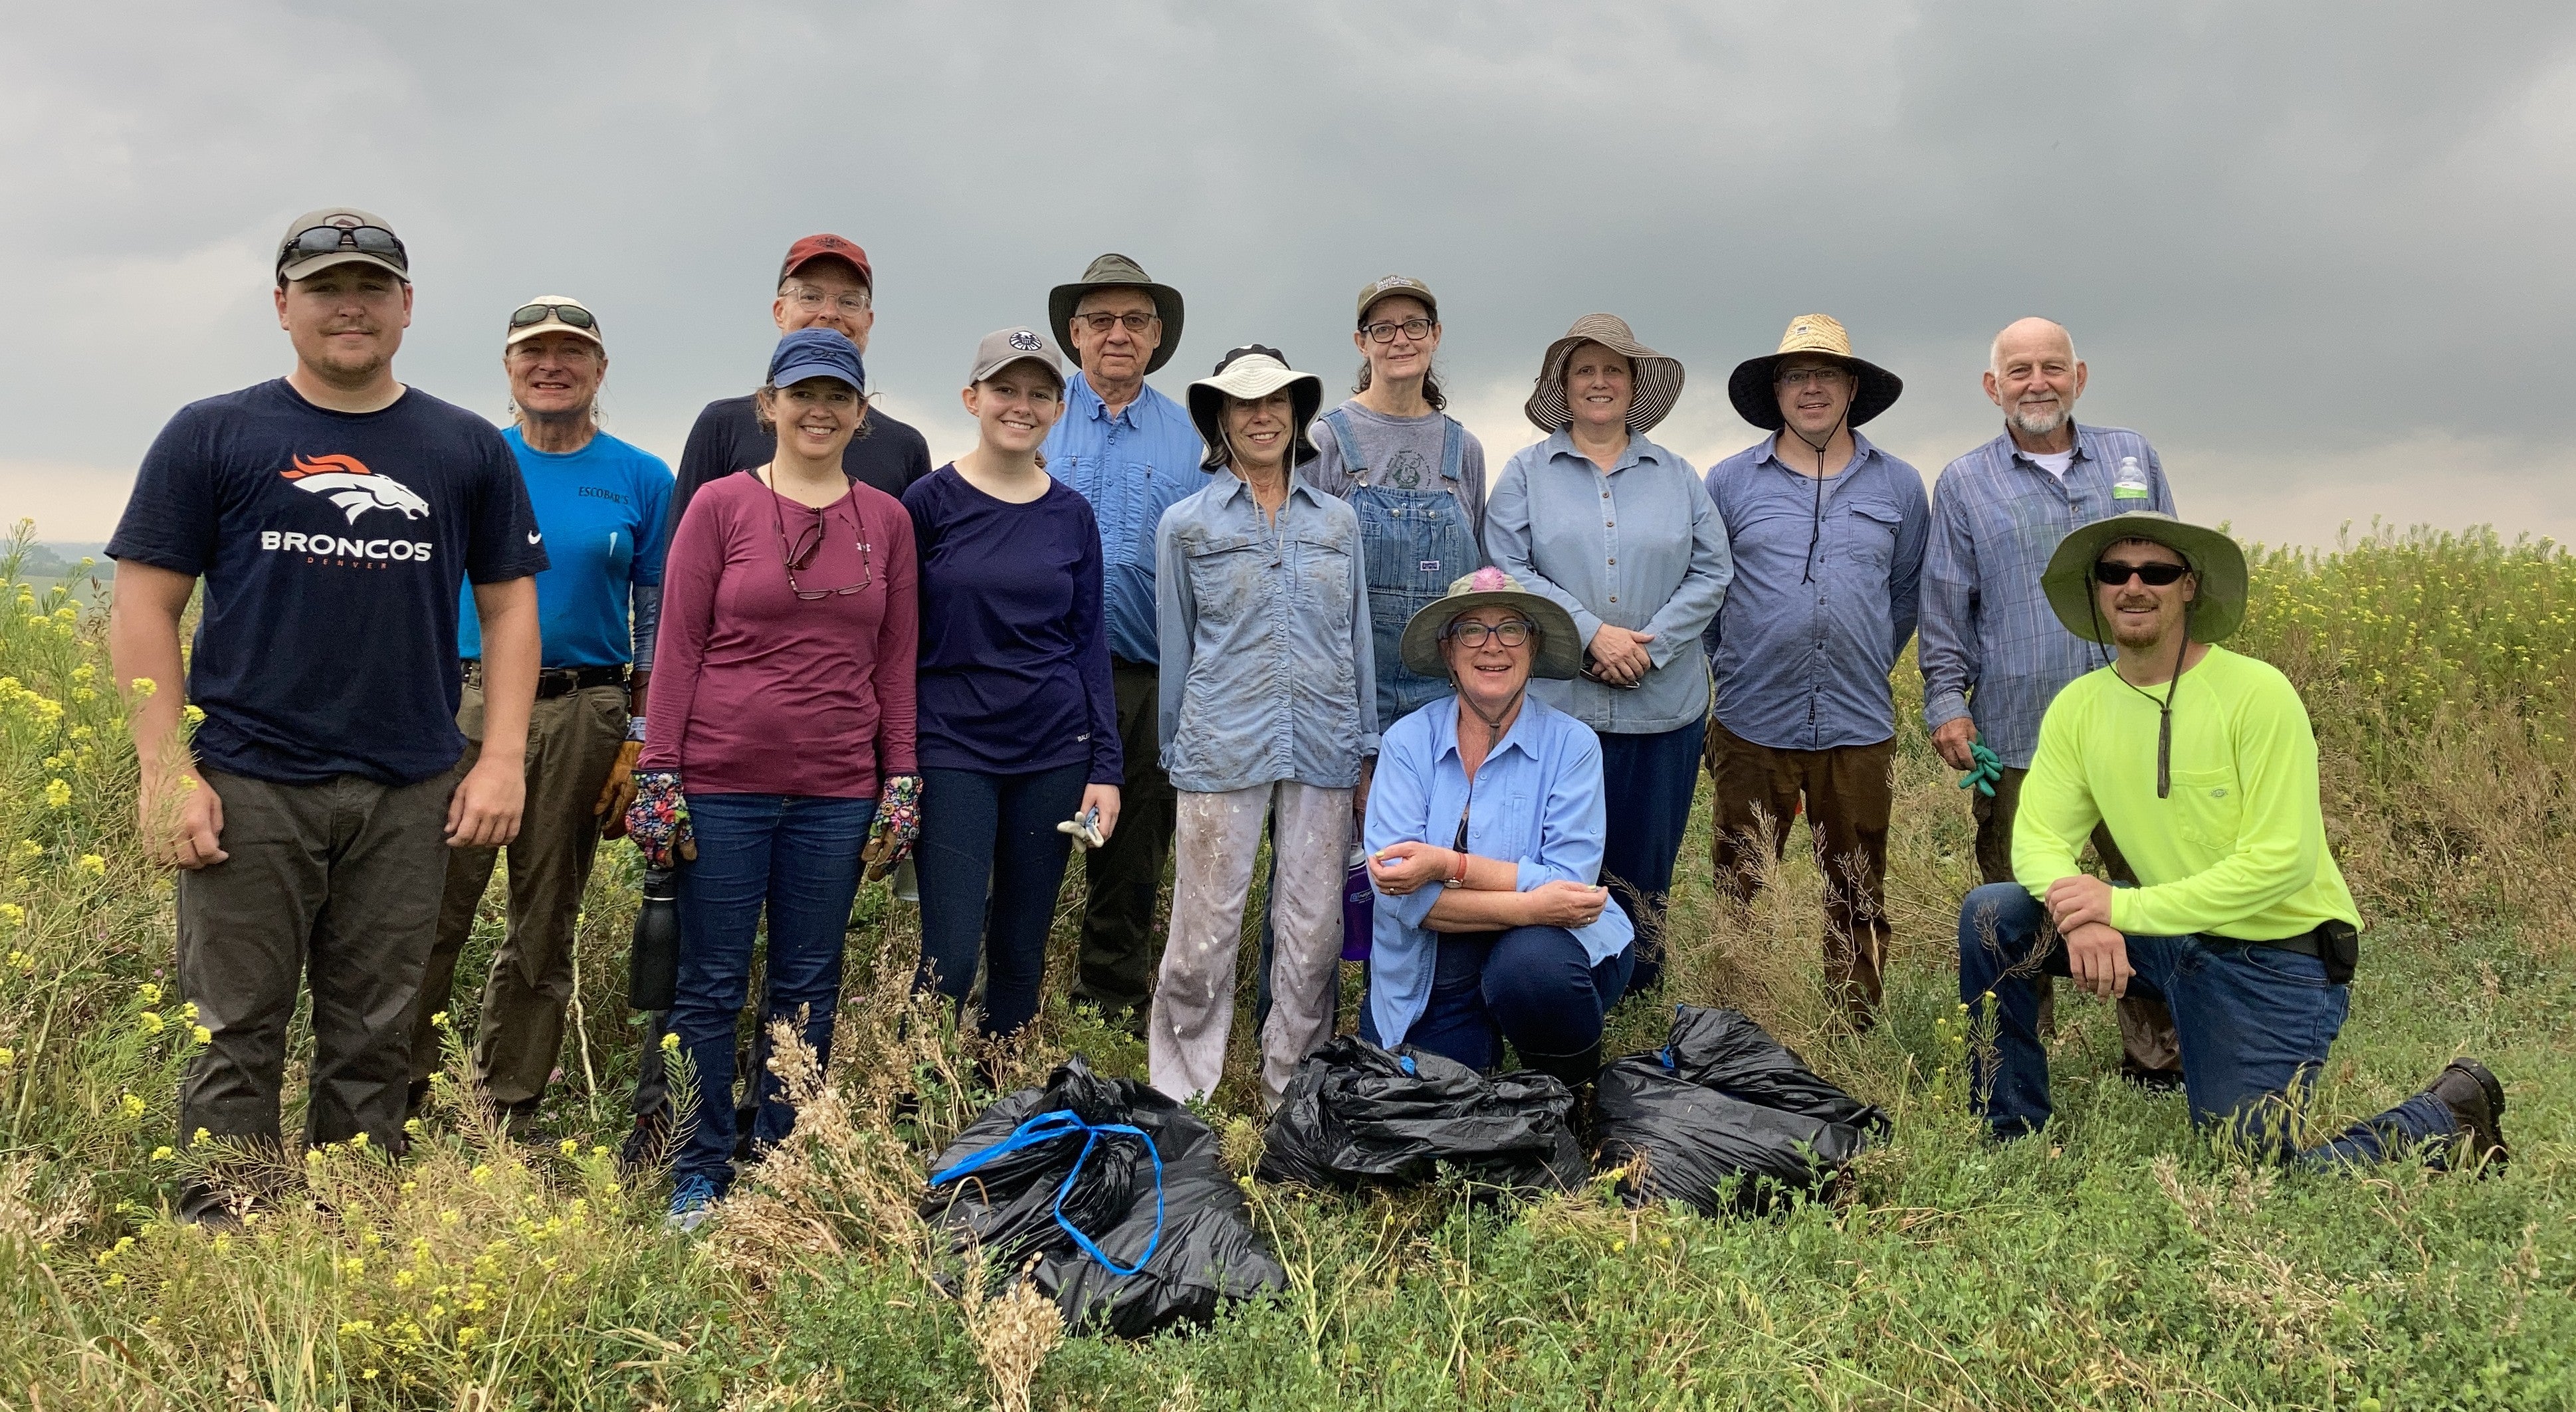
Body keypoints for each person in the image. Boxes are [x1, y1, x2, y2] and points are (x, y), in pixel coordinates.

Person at [104, 208, 546, 1223]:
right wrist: (166, 770)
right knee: (238, 1025)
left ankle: (349, 1233)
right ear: (282, 307)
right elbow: (144, 604)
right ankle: (225, 1230)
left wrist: (503, 758)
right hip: (251, 780)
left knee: (377, 1028)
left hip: (409, 786)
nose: (349, 306)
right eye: (323, 289)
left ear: (406, 308)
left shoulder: (465, 445)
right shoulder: (214, 432)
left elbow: (511, 604)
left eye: (370, 288)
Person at [1957, 512, 2508, 1173]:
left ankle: (2447, 1116)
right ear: (2097, 589)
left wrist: (2117, 909)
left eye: (2156, 571)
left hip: (2275, 952)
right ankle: (2008, 1135)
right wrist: (2079, 913)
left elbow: (2280, 864)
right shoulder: (2080, 707)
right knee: (1993, 913)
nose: (2135, 586)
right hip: (2170, 936)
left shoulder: (2257, 695)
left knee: (2247, 1167)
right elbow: (2039, 839)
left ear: (2189, 586)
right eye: (2115, 572)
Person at [629, 328, 919, 1230]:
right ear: (770, 405)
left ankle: (786, 1162)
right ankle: (698, 1167)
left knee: (808, 983)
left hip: (836, 789)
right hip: (720, 780)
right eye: (802, 394)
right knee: (709, 984)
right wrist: (658, 772)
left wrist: (900, 780)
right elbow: (676, 647)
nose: (819, 411)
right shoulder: (720, 507)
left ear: (861, 414)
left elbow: (896, 662)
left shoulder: (889, 521)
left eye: (838, 397)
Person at [408, 296, 671, 1136]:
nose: (551, 366)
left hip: (582, 707)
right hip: (461, 702)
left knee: (545, 917)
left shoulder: (641, 476)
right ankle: (392, 1099)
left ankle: (507, 1109)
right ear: (509, 367)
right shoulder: (466, 458)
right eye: (534, 352)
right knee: (426, 912)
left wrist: (642, 733)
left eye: (572, 353)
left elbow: (657, 607)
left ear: (600, 370)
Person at [1922, 318, 2185, 1084]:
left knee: (2151, 889)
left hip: (2139, 730)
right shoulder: (1966, 482)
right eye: (2019, 370)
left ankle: (2159, 1052)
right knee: (2015, 900)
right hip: (2019, 732)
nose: (2037, 382)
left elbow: (2174, 572)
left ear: (2080, 376)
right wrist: (1947, 700)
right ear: (1991, 386)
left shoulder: (2134, 458)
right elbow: (1946, 602)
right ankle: (2015, 1062)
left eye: (2052, 367)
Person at [1148, 346, 1374, 1106]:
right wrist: (1177, 747)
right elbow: (1176, 646)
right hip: (1219, 743)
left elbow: (1358, 640)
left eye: (1277, 400)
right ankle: (1182, 1093)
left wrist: (1365, 746)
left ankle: (1294, 1090)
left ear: (1298, 414)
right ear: (1221, 418)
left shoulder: (1338, 523)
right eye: (1245, 404)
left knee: (1312, 935)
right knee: (1201, 934)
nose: (1263, 415)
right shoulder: (1186, 524)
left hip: (1324, 741)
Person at [1486, 314, 1730, 995]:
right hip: (1560, 710)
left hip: (1663, 710)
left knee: (1644, 870)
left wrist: (1647, 650)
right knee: (1557, 865)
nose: (1599, 382)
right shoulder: (1524, 474)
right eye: (1584, 370)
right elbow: (1507, 567)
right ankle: (1560, 994)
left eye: (1612, 370)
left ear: (1632, 385)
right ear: (1563, 387)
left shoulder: (1678, 476)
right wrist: (1593, 632)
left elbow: (1712, 572)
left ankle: (1639, 999)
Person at [1703, 315, 1928, 1027]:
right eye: (1796, 375)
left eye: (1825, 374)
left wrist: (1851, 657)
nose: (1811, 388)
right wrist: (1748, 663)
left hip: (1857, 722)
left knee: (1859, 884)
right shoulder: (1729, 482)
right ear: (1776, 390)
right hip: (1751, 721)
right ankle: (1735, 1019)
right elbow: (1709, 597)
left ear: (1852, 388)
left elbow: (1903, 596)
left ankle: (1852, 1024)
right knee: (1740, 878)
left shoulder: (1900, 485)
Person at [905, 328, 1121, 1040]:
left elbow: (1089, 644)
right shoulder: (927, 504)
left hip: (1053, 753)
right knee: (951, 953)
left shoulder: (1071, 515)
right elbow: (896, 643)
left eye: (1039, 393)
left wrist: (1106, 769)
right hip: (953, 748)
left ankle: (999, 1117)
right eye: (1004, 389)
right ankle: (913, 1114)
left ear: (1060, 408)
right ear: (972, 398)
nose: (1020, 405)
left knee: (1021, 956)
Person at [1364, 567, 1630, 1089]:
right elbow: (1396, 893)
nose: (1493, 646)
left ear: (1532, 649)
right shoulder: (1405, 743)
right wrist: (1529, 904)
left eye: (1511, 628)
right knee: (1429, 1097)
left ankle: (1572, 1091)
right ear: (1447, 650)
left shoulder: (1573, 745)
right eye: (1471, 629)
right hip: (1439, 949)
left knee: (1532, 970)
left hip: (1546, 944)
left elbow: (1569, 885)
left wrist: (1446, 867)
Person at [1039, 253, 1210, 1034]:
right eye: (1100, 320)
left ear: (1157, 336)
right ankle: (996, 1000)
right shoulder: (1034, 411)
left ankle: (1108, 1004)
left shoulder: (1191, 440)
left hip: (1144, 671)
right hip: (1036, 670)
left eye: (1134, 320)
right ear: (1074, 334)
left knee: (1132, 847)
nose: (1117, 333)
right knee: (1025, 833)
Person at [1304, 275, 1490, 730]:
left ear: (1436, 334)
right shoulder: (1324, 441)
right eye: (1383, 329)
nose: (1400, 340)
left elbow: (1482, 581)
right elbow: (1303, 580)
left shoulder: (1464, 449)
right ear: (1361, 343)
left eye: (1414, 325)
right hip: (1346, 698)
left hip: (1446, 702)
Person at [665, 235, 931, 529]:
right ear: (780, 311)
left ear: (868, 321)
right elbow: (683, 561)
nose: (829, 313)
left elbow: (908, 568)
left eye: (849, 301)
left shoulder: (905, 447)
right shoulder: (722, 426)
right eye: (810, 296)